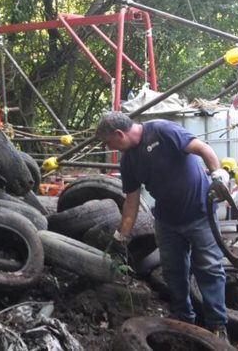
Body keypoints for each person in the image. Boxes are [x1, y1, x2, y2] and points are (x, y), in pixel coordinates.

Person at [96, 111, 230, 341]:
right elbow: (131, 201)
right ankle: (182, 320)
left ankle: (217, 326)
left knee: (209, 269)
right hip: (167, 221)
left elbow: (203, 149)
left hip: (200, 213)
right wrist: (121, 236)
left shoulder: (163, 130)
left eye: (109, 142)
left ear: (119, 134)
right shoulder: (128, 161)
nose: (110, 147)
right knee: (173, 271)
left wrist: (217, 175)